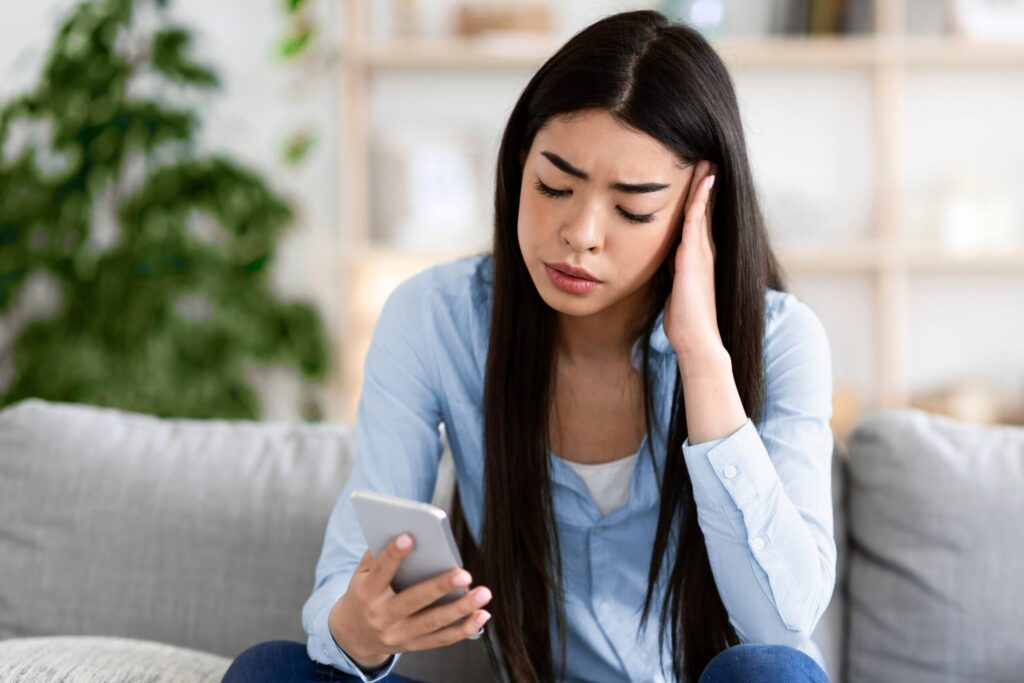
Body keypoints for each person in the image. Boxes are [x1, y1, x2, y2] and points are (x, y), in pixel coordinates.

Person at [224, 8, 835, 683]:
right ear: (520, 165)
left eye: (632, 209)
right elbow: (348, 572)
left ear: (700, 208)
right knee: (270, 672)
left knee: (772, 674)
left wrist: (702, 355)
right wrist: (358, 628)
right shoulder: (435, 317)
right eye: (554, 185)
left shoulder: (782, 339)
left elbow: (782, 625)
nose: (580, 232)